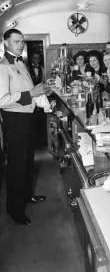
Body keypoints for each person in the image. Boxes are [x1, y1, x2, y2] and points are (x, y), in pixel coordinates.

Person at [0, 29, 47, 225]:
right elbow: (2, 100)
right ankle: (14, 209)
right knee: (17, 165)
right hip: (15, 121)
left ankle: (27, 195)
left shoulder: (20, 62)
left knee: (28, 162)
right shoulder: (3, 67)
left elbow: (27, 90)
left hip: (27, 118)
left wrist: (39, 94)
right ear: (6, 43)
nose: (20, 45)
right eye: (16, 41)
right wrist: (31, 94)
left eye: (22, 42)